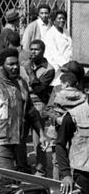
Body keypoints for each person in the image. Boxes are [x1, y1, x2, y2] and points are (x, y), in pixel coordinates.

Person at [22, 39, 56, 177]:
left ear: (43, 51)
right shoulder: (23, 65)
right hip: (24, 102)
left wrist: (30, 72)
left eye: (37, 49)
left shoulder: (49, 69)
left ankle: (41, 169)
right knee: (22, 136)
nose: (33, 52)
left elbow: (39, 89)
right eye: (31, 49)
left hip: (38, 104)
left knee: (39, 139)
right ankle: (23, 166)